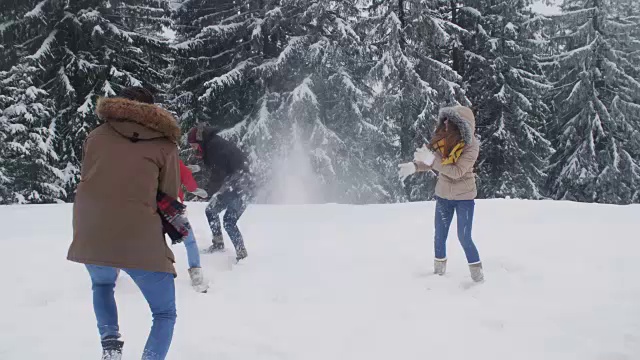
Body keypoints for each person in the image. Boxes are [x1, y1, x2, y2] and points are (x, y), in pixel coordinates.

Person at [67, 87, 180, 360]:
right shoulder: (165, 145)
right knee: (164, 313)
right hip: (139, 237)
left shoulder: (95, 136)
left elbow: (92, 179)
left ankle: (110, 346)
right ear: (154, 111)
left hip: (92, 229)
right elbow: (168, 196)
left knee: (103, 285)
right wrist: (178, 231)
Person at [398, 105, 484, 282]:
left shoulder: (471, 146)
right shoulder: (443, 140)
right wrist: (415, 166)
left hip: (464, 198)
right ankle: (438, 276)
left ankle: (477, 276)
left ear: (461, 126)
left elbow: (456, 172)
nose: (445, 125)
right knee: (439, 234)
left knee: (464, 236)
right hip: (443, 195)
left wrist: (432, 161)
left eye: (449, 122)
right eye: (444, 120)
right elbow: (431, 162)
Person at [186, 124, 253, 261]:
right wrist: (197, 169)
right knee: (211, 210)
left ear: (200, 141)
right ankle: (218, 243)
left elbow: (218, 173)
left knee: (229, 221)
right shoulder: (213, 145)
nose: (193, 149)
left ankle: (242, 255)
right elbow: (216, 168)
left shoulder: (214, 146)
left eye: (193, 145)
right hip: (237, 185)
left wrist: (207, 192)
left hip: (241, 187)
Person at [178, 160, 210, 292]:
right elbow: (189, 184)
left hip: (151, 207)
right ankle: (196, 272)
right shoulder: (173, 160)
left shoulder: (148, 158)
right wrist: (194, 189)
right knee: (189, 241)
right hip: (173, 207)